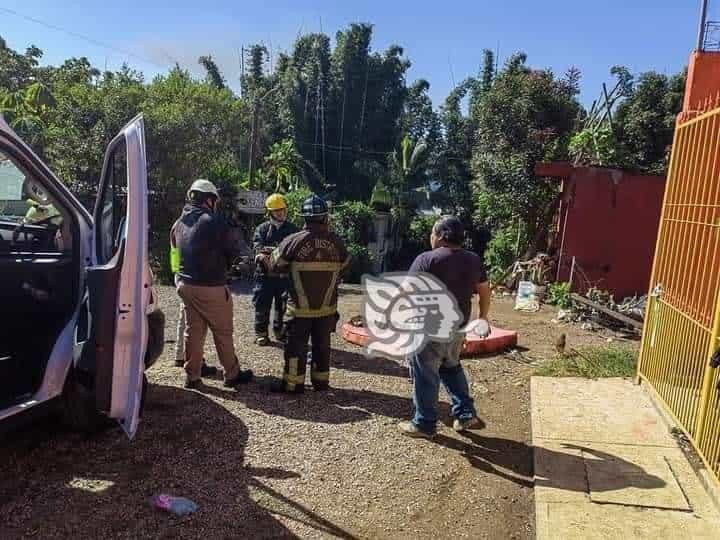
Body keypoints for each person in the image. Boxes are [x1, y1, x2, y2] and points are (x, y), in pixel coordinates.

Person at [398, 216, 491, 439]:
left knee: (425, 374)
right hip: (458, 327)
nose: (431, 237)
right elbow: (485, 290)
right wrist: (484, 317)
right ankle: (466, 413)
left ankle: (424, 424)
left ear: (440, 236)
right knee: (451, 368)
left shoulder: (427, 259)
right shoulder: (473, 260)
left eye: (432, 233)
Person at [174, 179, 253, 389]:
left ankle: (192, 376)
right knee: (223, 332)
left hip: (185, 285)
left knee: (194, 331)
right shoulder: (213, 221)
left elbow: (175, 248)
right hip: (211, 287)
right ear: (208, 200)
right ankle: (232, 374)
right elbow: (234, 251)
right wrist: (238, 266)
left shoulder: (180, 222)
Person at [267, 194, 350, 393]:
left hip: (299, 310)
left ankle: (293, 384)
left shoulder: (293, 241)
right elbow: (346, 268)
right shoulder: (337, 242)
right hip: (326, 309)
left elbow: (274, 265)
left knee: (296, 347)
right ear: (325, 217)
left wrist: (264, 257)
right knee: (322, 347)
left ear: (304, 217)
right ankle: (321, 383)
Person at [169, 220, 217, 378]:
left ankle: (180, 355)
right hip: (191, 276)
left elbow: (174, 252)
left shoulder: (178, 224)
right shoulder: (194, 225)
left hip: (181, 274)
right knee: (195, 322)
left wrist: (176, 272)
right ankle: (195, 362)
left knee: (185, 315)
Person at [252, 193, 299, 346]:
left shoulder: (293, 229)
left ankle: (280, 332)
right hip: (264, 275)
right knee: (262, 305)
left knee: (283, 306)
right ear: (270, 212)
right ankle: (261, 333)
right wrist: (262, 255)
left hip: (284, 276)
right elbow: (258, 249)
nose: (281, 213)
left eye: (283, 210)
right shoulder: (262, 229)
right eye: (277, 210)